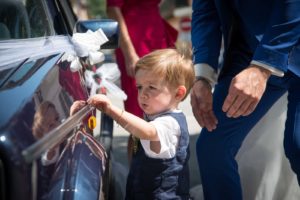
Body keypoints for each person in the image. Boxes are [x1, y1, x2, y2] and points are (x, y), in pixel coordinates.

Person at [190, 0, 300, 199]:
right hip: (246, 54)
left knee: (298, 145)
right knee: (213, 146)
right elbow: (205, 12)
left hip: (290, 42)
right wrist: (203, 76)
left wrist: (263, 65)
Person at [78, 49, 193, 199]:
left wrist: (111, 110)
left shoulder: (169, 124)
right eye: (140, 87)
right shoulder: (154, 117)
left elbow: (149, 132)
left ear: (178, 93)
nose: (143, 94)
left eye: (151, 87)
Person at [106, 0, 178, 161]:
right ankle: (137, 177)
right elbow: (112, 9)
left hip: (157, 40)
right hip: (136, 46)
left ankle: (165, 172)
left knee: (165, 114)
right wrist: (129, 53)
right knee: (139, 119)